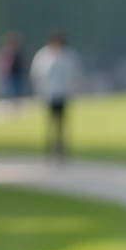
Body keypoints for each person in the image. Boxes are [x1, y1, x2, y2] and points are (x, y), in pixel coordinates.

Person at [30, 32, 81, 161]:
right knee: (51, 123)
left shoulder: (68, 56)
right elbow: (37, 75)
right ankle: (50, 150)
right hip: (49, 94)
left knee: (61, 124)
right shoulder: (44, 56)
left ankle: (61, 151)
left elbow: (74, 75)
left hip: (63, 93)